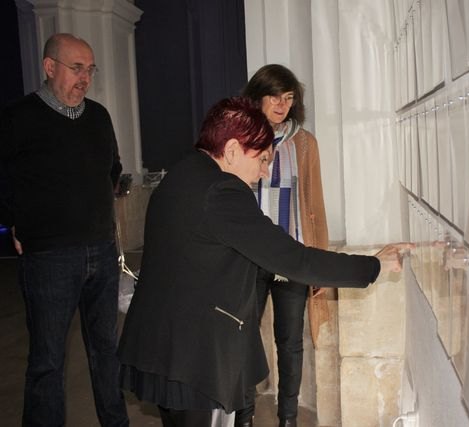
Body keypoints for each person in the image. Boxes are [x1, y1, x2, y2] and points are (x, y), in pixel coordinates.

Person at [117, 96, 411, 427]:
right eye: (260, 159)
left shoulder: (183, 173)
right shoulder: (222, 192)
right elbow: (293, 259)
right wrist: (375, 265)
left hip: (163, 345)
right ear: (230, 151)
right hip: (196, 357)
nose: (264, 171)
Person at [0, 33, 129, 426]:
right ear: (49, 66)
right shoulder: (18, 118)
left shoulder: (100, 117)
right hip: (49, 258)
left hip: (102, 255)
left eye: (89, 69)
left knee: (107, 351)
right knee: (48, 361)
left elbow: (113, 169)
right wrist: (16, 223)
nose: (84, 78)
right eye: (76, 68)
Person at [236, 64, 328, 427]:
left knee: (290, 344)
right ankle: (242, 416)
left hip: (290, 258)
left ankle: (287, 419)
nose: (282, 104)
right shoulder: (237, 141)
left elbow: (314, 206)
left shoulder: (304, 143)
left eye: (289, 97)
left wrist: (317, 261)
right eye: (274, 96)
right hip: (247, 258)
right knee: (242, 340)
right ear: (257, 97)